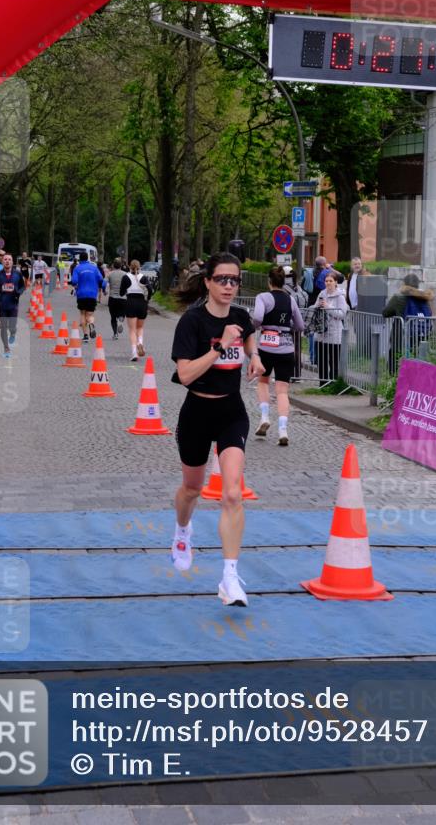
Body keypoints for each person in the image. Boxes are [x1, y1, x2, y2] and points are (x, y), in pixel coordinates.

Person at [170, 252, 265, 606]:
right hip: (196, 411)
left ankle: (229, 577)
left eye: (234, 280)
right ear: (207, 282)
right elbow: (184, 375)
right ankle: (183, 530)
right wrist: (220, 347)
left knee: (232, 494)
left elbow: (249, 338)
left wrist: (254, 356)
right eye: (222, 279)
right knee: (191, 490)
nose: (229, 286)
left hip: (231, 411)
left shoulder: (240, 317)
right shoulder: (192, 322)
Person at [253, 266, 305, 446]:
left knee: (263, 382)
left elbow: (258, 317)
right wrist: (286, 325)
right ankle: (283, 429)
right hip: (286, 349)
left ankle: (265, 417)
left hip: (266, 347)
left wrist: (257, 325)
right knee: (282, 391)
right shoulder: (290, 300)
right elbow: (300, 325)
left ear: (269, 281)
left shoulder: (263, 297)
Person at [313, 271, 347, 383]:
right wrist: (316, 306)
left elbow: (342, 314)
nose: (328, 283)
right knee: (321, 360)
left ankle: (333, 384)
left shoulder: (340, 296)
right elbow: (314, 307)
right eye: (326, 281)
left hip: (334, 333)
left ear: (336, 282)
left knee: (334, 361)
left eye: (330, 281)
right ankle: (322, 384)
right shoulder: (322, 294)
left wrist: (328, 307)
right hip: (321, 332)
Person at [0, 253, 25, 358]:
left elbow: (22, 287)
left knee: (12, 327)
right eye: (5, 259)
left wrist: (18, 292)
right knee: (4, 327)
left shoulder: (17, 275)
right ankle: (6, 348)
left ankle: (13, 333)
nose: (7, 261)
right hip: (2, 305)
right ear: (2, 261)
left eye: (9, 259)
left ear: (12, 262)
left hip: (13, 304)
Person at [71, 251, 104, 342]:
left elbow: (74, 281)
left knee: (82, 313)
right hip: (92, 294)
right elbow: (101, 279)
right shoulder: (94, 268)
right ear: (87, 258)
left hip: (81, 294)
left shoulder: (77, 268)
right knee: (89, 314)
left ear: (80, 259)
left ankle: (85, 335)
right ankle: (91, 324)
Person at [120, 259, 149, 361]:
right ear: (139, 267)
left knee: (132, 330)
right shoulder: (143, 277)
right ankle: (140, 342)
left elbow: (121, 293)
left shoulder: (126, 277)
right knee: (140, 327)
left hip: (131, 302)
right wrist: (147, 299)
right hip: (142, 303)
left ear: (129, 266)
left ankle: (134, 353)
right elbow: (150, 290)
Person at [106, 258, 127, 339]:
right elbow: (130, 284)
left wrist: (104, 290)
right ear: (121, 265)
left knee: (113, 317)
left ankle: (115, 334)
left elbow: (104, 283)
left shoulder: (110, 274)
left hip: (112, 298)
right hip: (123, 298)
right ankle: (121, 320)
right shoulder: (125, 274)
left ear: (113, 265)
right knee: (121, 314)